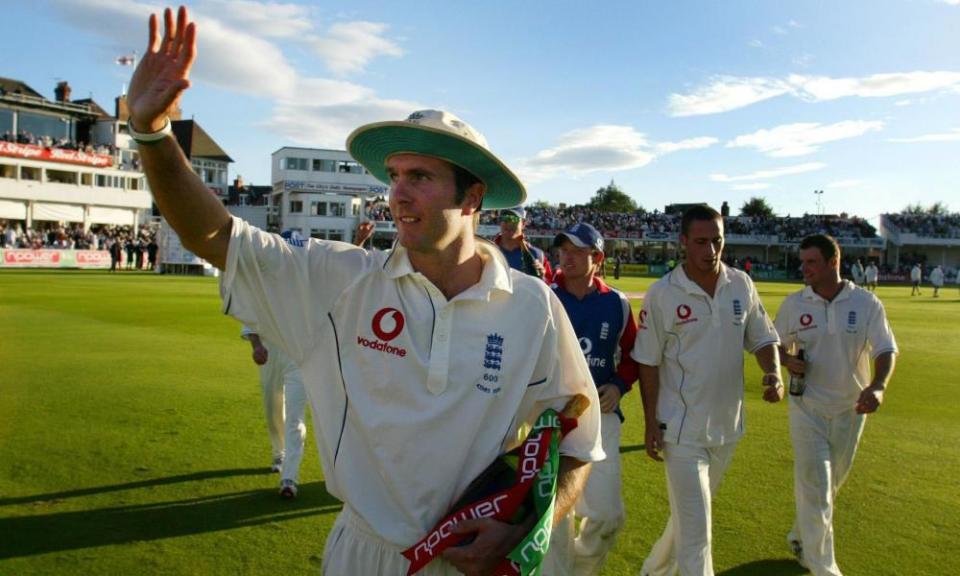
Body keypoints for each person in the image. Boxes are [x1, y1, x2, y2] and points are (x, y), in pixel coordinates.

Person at [126, 8, 603, 575]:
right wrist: (151, 135)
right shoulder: (339, 281)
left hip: (468, 563)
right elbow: (216, 237)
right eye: (394, 177)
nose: (397, 194)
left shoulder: (533, 308)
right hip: (362, 553)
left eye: (419, 178)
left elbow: (577, 445)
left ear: (472, 199)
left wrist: (527, 525)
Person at [632, 205, 783, 576]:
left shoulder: (740, 284)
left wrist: (774, 373)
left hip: (727, 426)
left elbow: (762, 336)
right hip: (681, 430)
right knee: (698, 532)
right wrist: (650, 422)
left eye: (717, 240)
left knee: (688, 518)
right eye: (701, 242)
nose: (711, 250)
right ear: (683, 242)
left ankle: (653, 571)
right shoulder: (663, 294)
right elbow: (648, 362)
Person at [774, 234, 897, 576]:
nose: (805, 269)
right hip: (807, 408)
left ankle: (801, 537)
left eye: (812, 262)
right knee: (817, 487)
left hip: (851, 409)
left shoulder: (867, 303)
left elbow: (885, 348)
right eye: (803, 262)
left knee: (830, 485)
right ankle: (824, 567)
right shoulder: (794, 304)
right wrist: (787, 360)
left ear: (833, 262)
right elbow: (772, 344)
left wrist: (878, 386)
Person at [548, 222, 639, 575]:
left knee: (605, 516)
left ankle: (578, 569)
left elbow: (634, 357)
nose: (566, 257)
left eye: (576, 251)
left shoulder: (616, 304)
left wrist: (618, 385)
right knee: (553, 517)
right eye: (563, 250)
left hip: (600, 420)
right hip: (550, 419)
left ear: (597, 257)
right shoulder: (543, 295)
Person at [242, 325, 307, 498]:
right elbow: (251, 311)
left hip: (300, 354)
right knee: (273, 410)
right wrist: (256, 345)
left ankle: (289, 477)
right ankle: (279, 453)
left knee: (295, 418)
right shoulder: (266, 295)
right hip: (270, 352)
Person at [493, 205, 553, 281]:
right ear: (500, 222)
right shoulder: (487, 252)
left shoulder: (537, 255)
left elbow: (550, 288)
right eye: (505, 218)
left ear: (523, 223)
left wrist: (542, 279)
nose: (509, 223)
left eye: (514, 219)